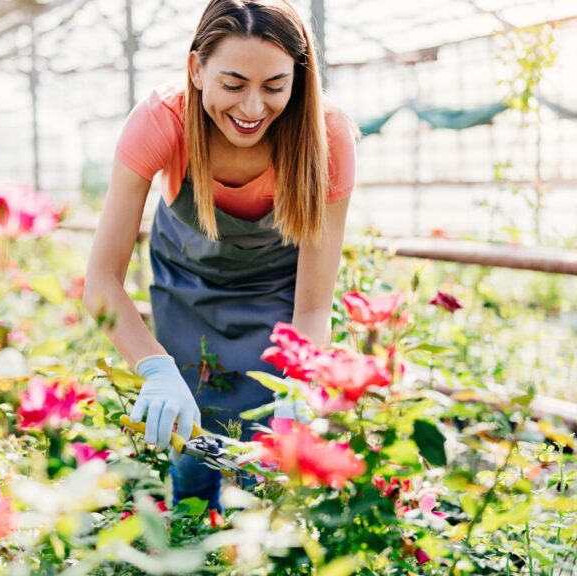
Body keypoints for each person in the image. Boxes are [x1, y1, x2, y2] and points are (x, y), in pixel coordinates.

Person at [82, 0, 356, 510]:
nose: (253, 109)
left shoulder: (327, 137)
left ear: (298, 77)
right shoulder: (161, 120)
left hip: (278, 286)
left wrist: (299, 384)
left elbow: (314, 305)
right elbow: (100, 281)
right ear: (196, 69)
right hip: (187, 282)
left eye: (274, 87)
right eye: (233, 84)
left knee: (270, 449)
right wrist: (154, 368)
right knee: (191, 428)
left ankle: (256, 537)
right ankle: (190, 525)